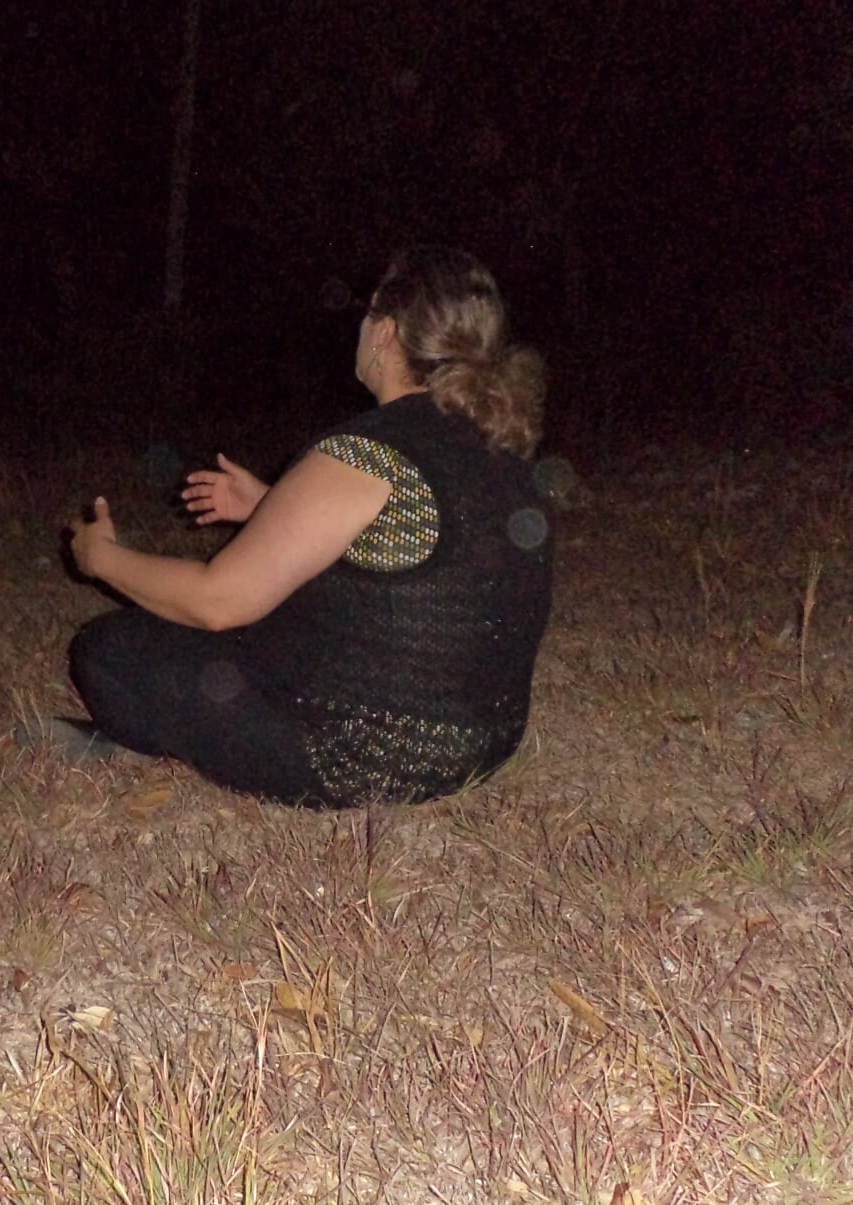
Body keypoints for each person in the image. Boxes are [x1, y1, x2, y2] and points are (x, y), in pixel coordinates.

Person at [44, 246, 554, 809]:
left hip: (363, 759)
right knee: (265, 625)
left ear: (385, 332)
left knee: (111, 649)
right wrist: (272, 505)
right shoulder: (496, 450)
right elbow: (428, 556)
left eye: (366, 318)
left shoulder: (372, 451)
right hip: (481, 747)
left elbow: (219, 600)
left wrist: (103, 559)